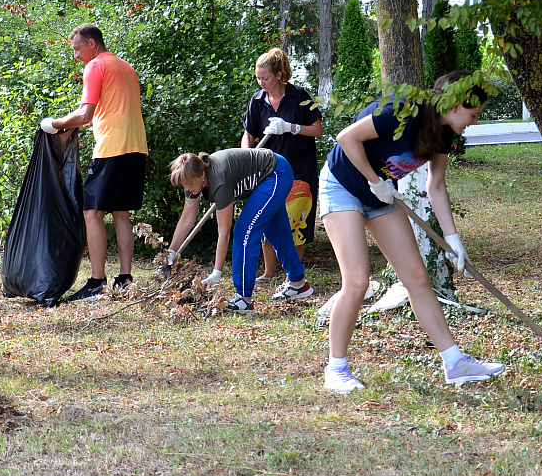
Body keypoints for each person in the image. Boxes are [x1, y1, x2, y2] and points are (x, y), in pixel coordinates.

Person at [319, 70, 504, 394]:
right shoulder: (403, 110)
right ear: (457, 103)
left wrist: (453, 239)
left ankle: (455, 363)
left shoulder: (444, 134)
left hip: (382, 196)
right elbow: (346, 138)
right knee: (358, 281)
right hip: (342, 186)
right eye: (473, 114)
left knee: (417, 278)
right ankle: (336, 370)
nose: (474, 121)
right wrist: (375, 182)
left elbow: (435, 185)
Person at [41, 24, 148, 302]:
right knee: (121, 212)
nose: (76, 55)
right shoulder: (126, 67)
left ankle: (98, 282)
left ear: (92, 43)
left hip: (112, 147)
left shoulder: (96, 66)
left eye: (77, 48)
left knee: (92, 212)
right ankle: (125, 278)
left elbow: (86, 114)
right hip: (137, 146)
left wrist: (55, 124)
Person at [167, 148, 314, 314]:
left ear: (201, 175)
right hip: (272, 173)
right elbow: (187, 218)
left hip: (276, 173)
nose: (186, 187)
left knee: (245, 231)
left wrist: (217, 272)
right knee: (277, 231)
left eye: (187, 183)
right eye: (183, 184)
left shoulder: (219, 180)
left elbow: (225, 230)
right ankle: (298, 283)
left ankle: (244, 298)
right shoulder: (194, 181)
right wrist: (171, 251)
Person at [222, 47, 322, 289]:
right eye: (258, 78)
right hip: (268, 171)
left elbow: (317, 129)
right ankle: (268, 272)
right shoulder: (257, 102)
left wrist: (291, 127)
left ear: (279, 74)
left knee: (296, 220)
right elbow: (248, 134)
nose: (261, 82)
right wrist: (247, 155)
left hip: (299, 168)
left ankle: (293, 277)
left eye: (265, 78)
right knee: (269, 218)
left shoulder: (299, 96)